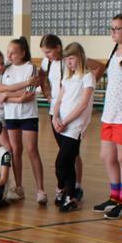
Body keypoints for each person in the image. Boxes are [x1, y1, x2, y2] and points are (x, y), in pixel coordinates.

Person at [90, 13, 122, 219]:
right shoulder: (114, 53)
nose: (113, 32)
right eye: (111, 29)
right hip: (109, 114)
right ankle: (114, 197)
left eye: (117, 28)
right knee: (107, 157)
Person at [50, 42, 95, 213]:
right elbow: (58, 100)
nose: (69, 62)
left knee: (61, 163)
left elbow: (83, 104)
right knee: (67, 163)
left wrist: (66, 121)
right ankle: (70, 196)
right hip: (61, 123)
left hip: (74, 126)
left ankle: (62, 189)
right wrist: (55, 117)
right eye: (66, 59)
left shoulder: (87, 77)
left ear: (80, 57)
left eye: (72, 58)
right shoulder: (68, 78)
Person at [0, 37, 45, 204]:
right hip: (11, 116)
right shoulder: (5, 70)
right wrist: (15, 97)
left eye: (13, 52)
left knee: (32, 150)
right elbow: (1, 95)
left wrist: (8, 95)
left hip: (28, 115)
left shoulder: (31, 68)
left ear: (23, 53)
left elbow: (29, 94)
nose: (9, 55)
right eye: (8, 52)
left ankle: (40, 190)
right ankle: (19, 187)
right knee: (15, 151)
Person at [41, 33, 81, 202]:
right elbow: (41, 77)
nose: (46, 55)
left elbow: (97, 67)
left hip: (71, 113)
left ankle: (75, 187)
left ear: (58, 48)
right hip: (55, 112)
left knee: (71, 154)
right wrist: (47, 94)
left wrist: (86, 89)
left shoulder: (69, 62)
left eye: (49, 52)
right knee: (65, 153)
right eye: (44, 53)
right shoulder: (47, 62)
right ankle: (66, 190)